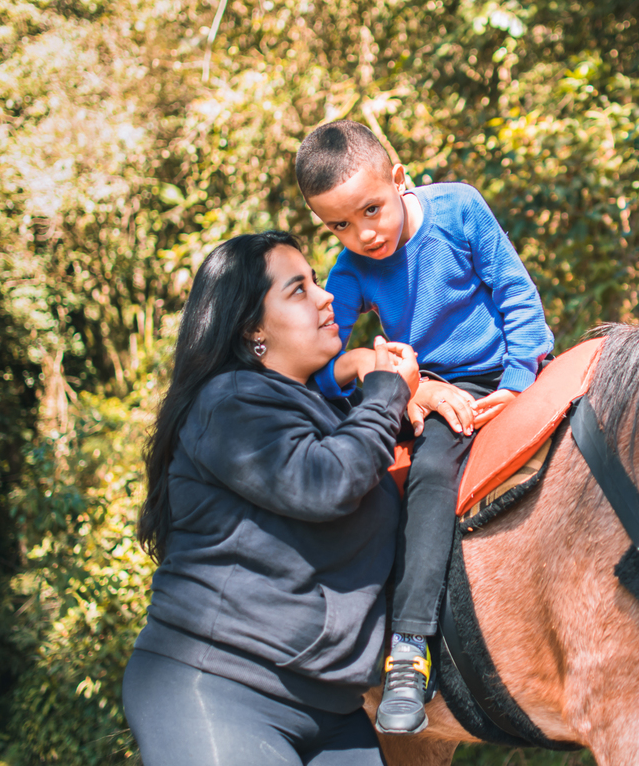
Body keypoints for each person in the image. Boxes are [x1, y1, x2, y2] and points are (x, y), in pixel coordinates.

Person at [293, 120, 555, 734]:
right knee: (430, 473)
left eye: (371, 211)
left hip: (513, 368)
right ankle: (410, 647)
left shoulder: (459, 208)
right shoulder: (352, 268)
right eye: (339, 225)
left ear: (399, 179)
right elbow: (323, 362)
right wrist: (408, 385)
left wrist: (518, 383)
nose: (363, 233)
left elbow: (515, 293)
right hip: (437, 389)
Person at [123, 231, 421, 766]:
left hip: (333, 709)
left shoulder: (328, 414)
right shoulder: (228, 400)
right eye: (299, 289)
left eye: (317, 282)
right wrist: (386, 393)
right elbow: (324, 483)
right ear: (253, 329)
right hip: (216, 686)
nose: (327, 295)